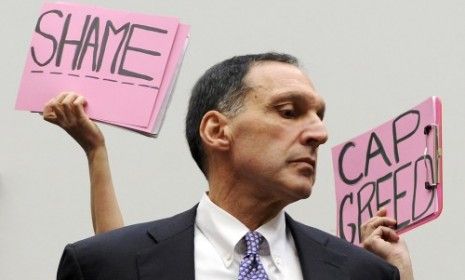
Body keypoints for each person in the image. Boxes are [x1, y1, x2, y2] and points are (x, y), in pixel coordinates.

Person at [50, 53, 413, 279]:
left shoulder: (362, 273)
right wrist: (95, 151)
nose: (320, 133)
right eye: (289, 112)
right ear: (216, 130)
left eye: (319, 116)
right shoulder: (107, 265)